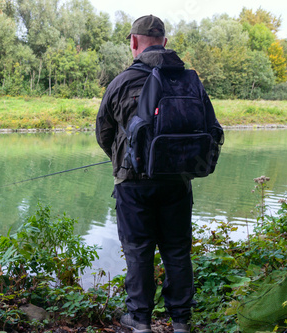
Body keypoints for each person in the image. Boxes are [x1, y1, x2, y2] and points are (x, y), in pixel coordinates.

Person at [96, 15, 206, 333]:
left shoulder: (121, 82)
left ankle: (140, 321)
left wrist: (124, 162)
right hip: (178, 182)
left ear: (133, 41)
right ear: (165, 43)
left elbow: (103, 133)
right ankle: (181, 322)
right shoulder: (189, 80)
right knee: (176, 250)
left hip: (133, 183)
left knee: (138, 250)